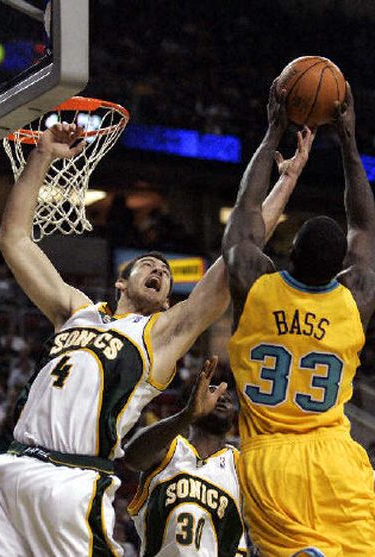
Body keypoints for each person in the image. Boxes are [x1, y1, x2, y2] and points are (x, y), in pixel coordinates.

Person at [0, 120, 307, 556]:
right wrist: (41, 155)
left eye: (166, 273)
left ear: (169, 302)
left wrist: (286, 181)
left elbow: (235, 258)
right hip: (8, 471)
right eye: (149, 264)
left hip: (71, 481)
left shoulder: (161, 335)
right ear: (120, 282)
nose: (159, 270)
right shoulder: (74, 310)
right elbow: (13, 237)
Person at [222, 80, 375, 556]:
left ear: (286, 253)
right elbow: (366, 225)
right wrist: (349, 140)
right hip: (336, 459)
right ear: (342, 269)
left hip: (269, 460)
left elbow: (246, 212)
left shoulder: (257, 284)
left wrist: (273, 133)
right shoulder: (356, 298)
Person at [124, 356, 247, 557]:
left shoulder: (241, 465)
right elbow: (133, 458)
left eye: (227, 397)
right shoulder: (170, 450)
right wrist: (186, 416)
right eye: (212, 393)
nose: (222, 398)